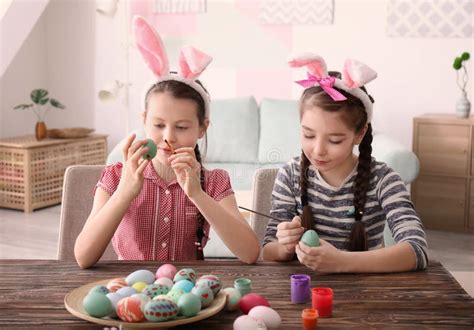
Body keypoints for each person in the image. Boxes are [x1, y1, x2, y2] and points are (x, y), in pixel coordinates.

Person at [74, 16, 260, 268]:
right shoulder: (116, 177)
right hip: (132, 292)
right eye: (158, 125)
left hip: (186, 292)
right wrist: (125, 192)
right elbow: (83, 257)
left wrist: (197, 194)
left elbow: (250, 253)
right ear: (144, 121)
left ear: (202, 128)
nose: (169, 137)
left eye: (182, 127)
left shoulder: (215, 181)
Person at [262, 54, 428, 273]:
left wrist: (340, 262)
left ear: (359, 134)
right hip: (304, 291)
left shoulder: (382, 180)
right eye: (308, 135)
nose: (318, 150)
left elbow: (417, 251)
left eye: (335, 140)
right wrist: (285, 246)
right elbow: (268, 250)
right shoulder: (289, 175)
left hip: (364, 292)